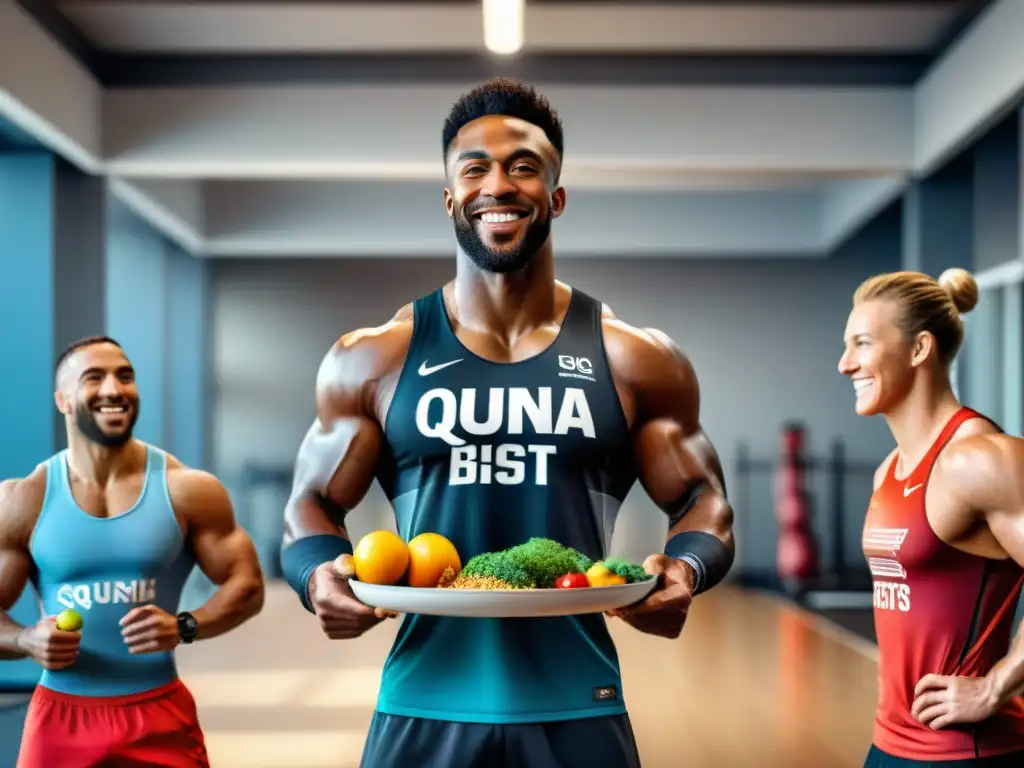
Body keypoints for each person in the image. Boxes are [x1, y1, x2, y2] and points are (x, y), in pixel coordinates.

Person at [279, 77, 736, 767]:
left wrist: (687, 571)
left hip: (578, 698)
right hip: (423, 699)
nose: (499, 184)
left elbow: (704, 499)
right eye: (475, 169)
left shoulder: (634, 358)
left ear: (555, 196)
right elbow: (309, 504)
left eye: (523, 167)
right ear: (449, 199)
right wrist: (319, 578)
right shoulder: (373, 359)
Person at [0, 336, 265, 768]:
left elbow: (247, 583)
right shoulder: (23, 499)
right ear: (63, 400)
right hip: (60, 716)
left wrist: (187, 625)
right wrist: (28, 640)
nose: (113, 389)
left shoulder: (188, 490)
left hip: (158, 710)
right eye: (94, 378)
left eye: (125, 376)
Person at [838, 269, 1024, 766]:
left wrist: (994, 687)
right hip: (888, 745)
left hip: (966, 751)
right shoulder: (888, 472)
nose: (844, 364)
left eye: (861, 344)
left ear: (920, 349)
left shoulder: (980, 460)